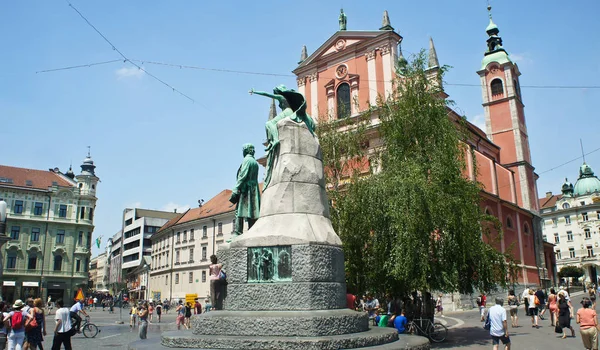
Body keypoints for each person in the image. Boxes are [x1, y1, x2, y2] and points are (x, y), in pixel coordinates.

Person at [229, 143, 261, 237]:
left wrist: (236, 188)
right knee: (252, 212)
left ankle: (238, 232)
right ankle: (252, 231)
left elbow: (242, 176)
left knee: (239, 212)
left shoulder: (246, 160)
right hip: (253, 190)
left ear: (245, 151)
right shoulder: (254, 162)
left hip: (245, 190)